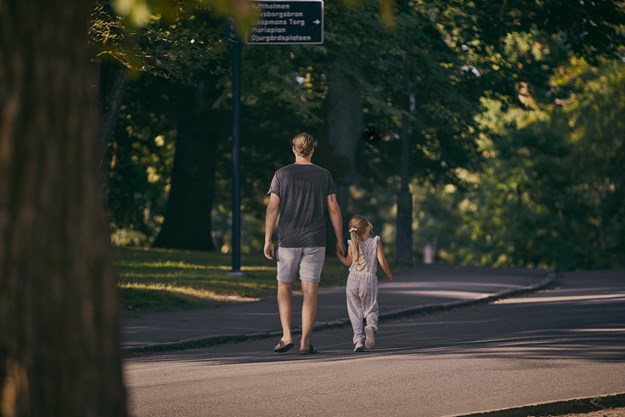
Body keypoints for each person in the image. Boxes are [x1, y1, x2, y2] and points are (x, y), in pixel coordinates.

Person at [264, 132, 346, 355]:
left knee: (284, 287)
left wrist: (267, 238)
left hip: (288, 240)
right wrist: (339, 240)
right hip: (315, 240)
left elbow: (272, 208)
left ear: (293, 149)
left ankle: (287, 335)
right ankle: (304, 343)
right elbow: (333, 208)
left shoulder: (281, 174)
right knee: (310, 290)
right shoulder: (324, 175)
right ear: (312, 150)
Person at [336, 215, 393, 352]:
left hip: (353, 280)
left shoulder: (351, 244)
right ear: (367, 228)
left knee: (355, 311)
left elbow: (347, 263)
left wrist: (339, 255)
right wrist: (388, 273)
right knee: (371, 308)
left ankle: (358, 341)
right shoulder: (375, 242)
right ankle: (371, 327)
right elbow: (382, 260)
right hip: (368, 280)